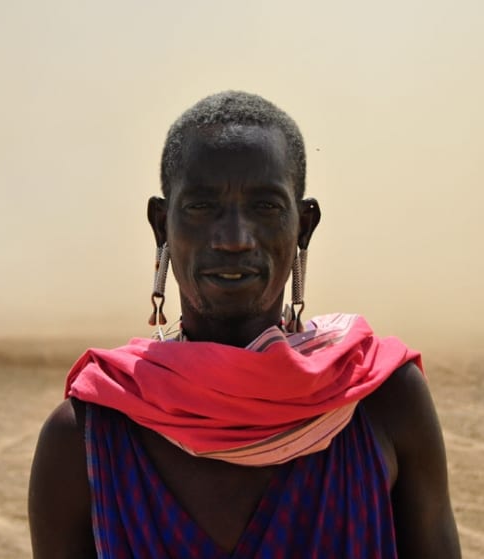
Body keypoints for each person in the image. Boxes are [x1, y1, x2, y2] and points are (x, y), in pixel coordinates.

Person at [28, 91, 461, 558]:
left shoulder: (381, 402)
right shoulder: (86, 438)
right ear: (161, 225)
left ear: (304, 226)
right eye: (201, 206)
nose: (234, 238)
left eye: (265, 207)